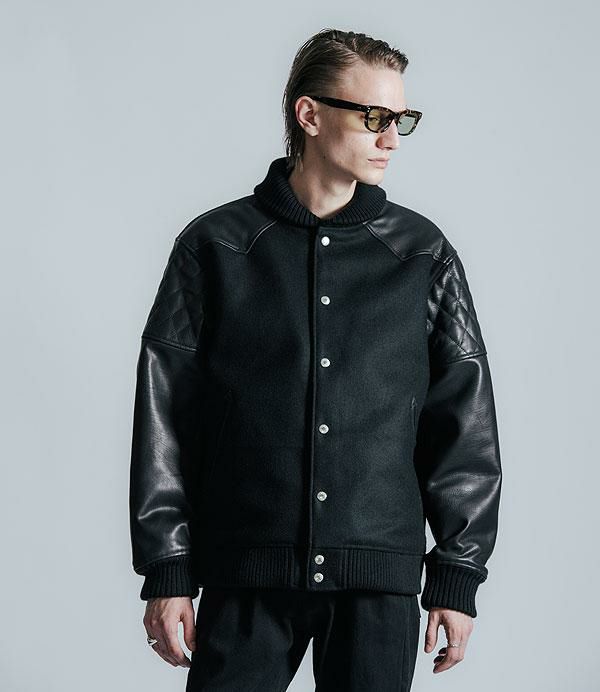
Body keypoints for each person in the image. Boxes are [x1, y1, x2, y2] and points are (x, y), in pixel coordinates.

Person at [129, 27, 503, 691]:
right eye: (375, 117)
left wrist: (457, 571)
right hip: (246, 572)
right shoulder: (216, 247)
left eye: (401, 120)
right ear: (310, 114)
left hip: (377, 583)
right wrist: (168, 568)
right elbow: (166, 416)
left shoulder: (422, 254)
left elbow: (464, 427)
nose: (392, 139)